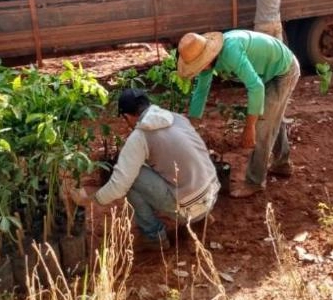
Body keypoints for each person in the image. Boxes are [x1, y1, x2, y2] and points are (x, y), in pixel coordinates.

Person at [68, 88, 220, 251]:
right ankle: (201, 217)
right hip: (212, 196)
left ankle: (154, 237)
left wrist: (89, 200)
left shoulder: (140, 137)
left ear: (127, 116)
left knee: (132, 180)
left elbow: (119, 186)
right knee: (143, 168)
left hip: (189, 209)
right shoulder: (176, 118)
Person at [177, 29, 300, 198]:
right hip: (267, 73)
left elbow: (256, 88)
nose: (197, 70)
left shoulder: (230, 52)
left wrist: (249, 127)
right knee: (272, 118)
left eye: (197, 66)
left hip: (284, 71)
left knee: (262, 125)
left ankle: (255, 182)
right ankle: (282, 164)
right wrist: (191, 126)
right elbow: (200, 92)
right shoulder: (209, 61)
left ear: (205, 57)